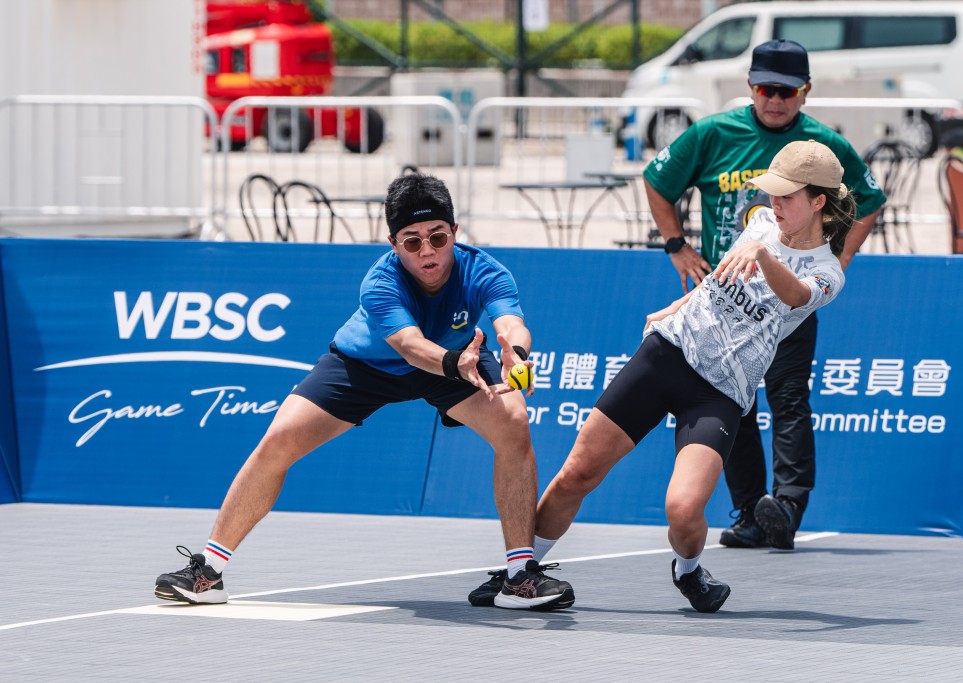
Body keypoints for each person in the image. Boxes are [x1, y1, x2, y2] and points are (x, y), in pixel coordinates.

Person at [155, 172, 574, 612]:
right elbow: (411, 348)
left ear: (455, 231)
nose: (427, 251)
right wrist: (455, 363)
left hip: (454, 360)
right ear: (393, 244)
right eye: (412, 242)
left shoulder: (483, 269)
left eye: (437, 236)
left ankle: (519, 576)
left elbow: (510, 321)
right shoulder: (380, 284)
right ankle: (208, 571)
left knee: (514, 421)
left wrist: (516, 350)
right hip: (367, 366)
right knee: (278, 440)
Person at [478, 140, 854, 613]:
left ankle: (689, 569)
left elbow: (797, 296)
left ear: (819, 200)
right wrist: (676, 307)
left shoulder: (827, 272)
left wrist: (763, 255)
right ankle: (520, 574)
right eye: (773, 193)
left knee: (682, 508)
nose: (774, 203)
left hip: (719, 391)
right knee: (577, 472)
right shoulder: (760, 223)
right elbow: (721, 278)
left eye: (787, 196)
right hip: (668, 353)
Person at [643, 39, 887, 550]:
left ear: (805, 92)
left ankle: (789, 507)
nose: (774, 99)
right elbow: (657, 180)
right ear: (750, 87)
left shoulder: (822, 147)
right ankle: (752, 512)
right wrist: (676, 246)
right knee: (733, 403)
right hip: (726, 301)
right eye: (763, 88)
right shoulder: (714, 132)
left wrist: (840, 258)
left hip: (788, 307)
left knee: (790, 398)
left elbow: (869, 199)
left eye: (785, 90)